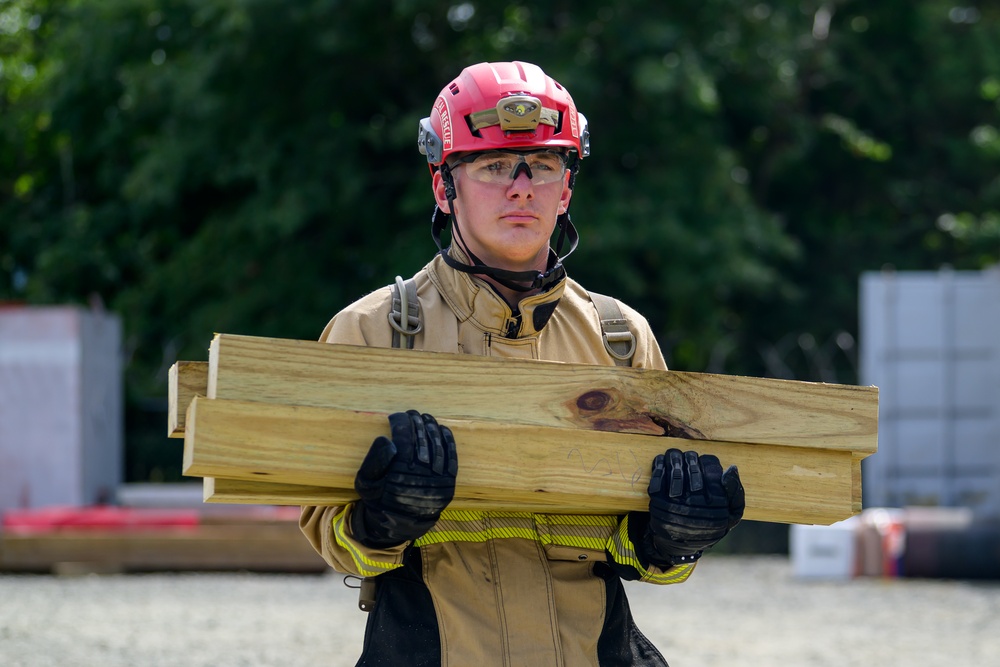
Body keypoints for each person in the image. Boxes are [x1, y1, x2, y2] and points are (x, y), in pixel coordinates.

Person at [300, 61, 745, 666]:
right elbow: (325, 528)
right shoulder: (372, 333)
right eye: (491, 166)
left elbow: (639, 554)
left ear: (565, 191)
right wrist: (381, 524)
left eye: (541, 166)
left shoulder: (621, 339)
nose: (520, 186)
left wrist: (671, 541)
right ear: (443, 188)